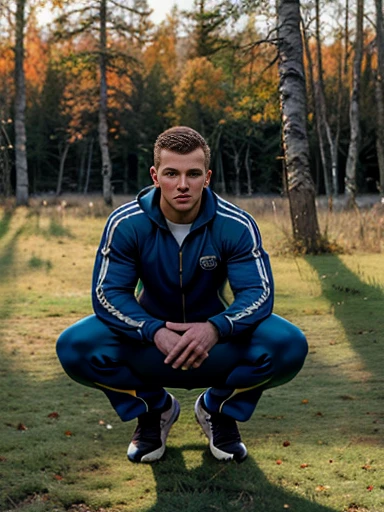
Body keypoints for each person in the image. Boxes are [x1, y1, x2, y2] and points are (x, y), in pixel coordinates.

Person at [56, 126, 308, 464]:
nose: (183, 184)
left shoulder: (235, 224)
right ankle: (154, 411)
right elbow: (108, 293)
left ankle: (218, 410)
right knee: (74, 345)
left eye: (193, 173)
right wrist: (153, 330)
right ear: (155, 175)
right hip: (149, 346)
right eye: (171, 173)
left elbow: (257, 292)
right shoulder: (126, 223)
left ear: (207, 176)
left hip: (216, 347)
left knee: (289, 344)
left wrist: (215, 328)